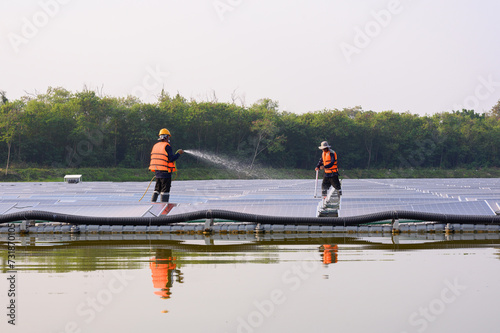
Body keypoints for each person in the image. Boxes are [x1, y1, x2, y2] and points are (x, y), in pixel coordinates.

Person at [149, 128, 184, 202]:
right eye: (168, 136)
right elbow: (171, 159)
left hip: (157, 172)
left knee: (157, 189)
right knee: (165, 190)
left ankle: (152, 204)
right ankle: (164, 209)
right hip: (165, 173)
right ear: (166, 137)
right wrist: (178, 154)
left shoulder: (155, 146)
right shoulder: (167, 146)